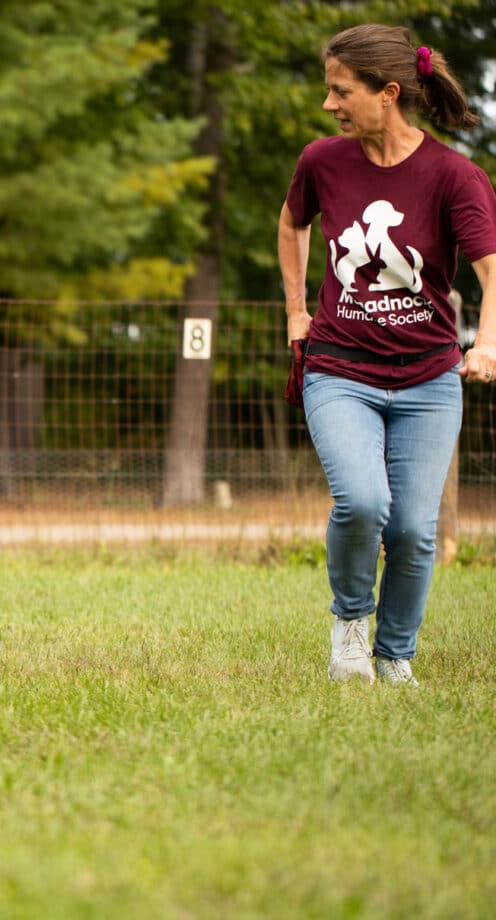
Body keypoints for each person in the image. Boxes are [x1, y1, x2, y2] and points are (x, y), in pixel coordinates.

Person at [277, 24, 496, 685]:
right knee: (364, 502)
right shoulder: (322, 161)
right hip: (340, 369)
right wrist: (295, 308)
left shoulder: (454, 176)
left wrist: (488, 342)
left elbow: (492, 270)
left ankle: (395, 657)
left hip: (429, 380)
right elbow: (292, 224)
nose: (329, 105)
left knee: (412, 530)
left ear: (387, 94)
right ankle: (350, 627)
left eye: (341, 91)